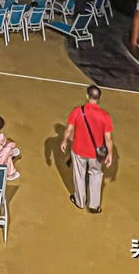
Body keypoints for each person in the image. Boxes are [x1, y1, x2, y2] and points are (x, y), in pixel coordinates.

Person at [60, 84, 114, 214]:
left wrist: (64, 140)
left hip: (79, 150)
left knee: (79, 175)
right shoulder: (105, 116)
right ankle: (94, 205)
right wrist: (110, 154)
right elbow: (108, 138)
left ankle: (79, 201)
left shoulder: (78, 111)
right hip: (96, 153)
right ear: (99, 98)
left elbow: (69, 129)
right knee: (96, 175)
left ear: (87, 96)